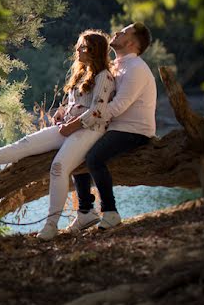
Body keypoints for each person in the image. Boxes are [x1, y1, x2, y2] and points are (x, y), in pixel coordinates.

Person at [0, 30, 116, 241]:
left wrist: (72, 125)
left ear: (95, 50)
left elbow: (98, 111)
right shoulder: (82, 73)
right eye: (78, 45)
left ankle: (51, 225)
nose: (77, 49)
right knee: (24, 143)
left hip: (89, 131)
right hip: (68, 127)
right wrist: (61, 114)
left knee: (58, 167)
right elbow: (73, 104)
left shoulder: (105, 76)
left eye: (83, 47)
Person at [59, 22, 156, 232]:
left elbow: (118, 106)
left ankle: (110, 212)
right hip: (112, 126)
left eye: (123, 32)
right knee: (78, 152)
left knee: (94, 157)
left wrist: (85, 119)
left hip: (133, 130)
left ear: (130, 42)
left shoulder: (136, 68)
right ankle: (85, 212)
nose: (117, 33)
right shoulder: (116, 65)